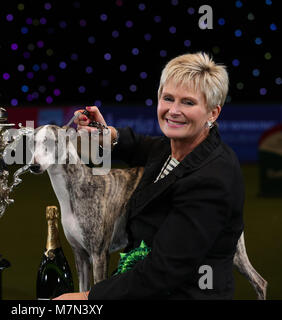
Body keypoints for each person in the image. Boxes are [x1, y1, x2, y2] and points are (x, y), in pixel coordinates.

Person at [54, 52, 244, 300]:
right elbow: (142, 146)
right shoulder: (174, 147)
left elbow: (162, 272)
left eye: (188, 102)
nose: (173, 110)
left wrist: (86, 298)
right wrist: (109, 134)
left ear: (213, 113)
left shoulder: (213, 178)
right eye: (168, 98)